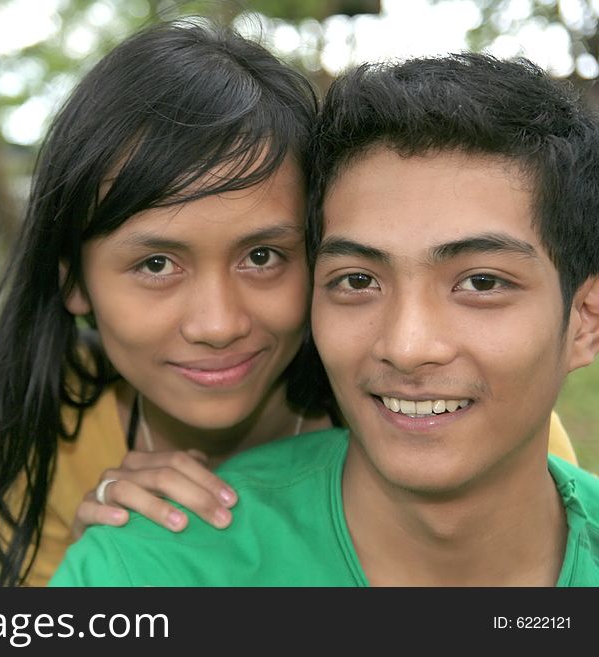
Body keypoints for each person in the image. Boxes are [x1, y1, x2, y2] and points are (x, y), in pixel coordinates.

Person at [48, 53, 599, 587]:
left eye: (482, 282)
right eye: (359, 280)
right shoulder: (136, 565)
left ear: (586, 319)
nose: (407, 347)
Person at [0, 19, 339, 587]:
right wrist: (102, 570)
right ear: (72, 280)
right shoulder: (49, 424)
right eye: (156, 264)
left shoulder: (387, 412)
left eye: (261, 257)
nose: (218, 325)